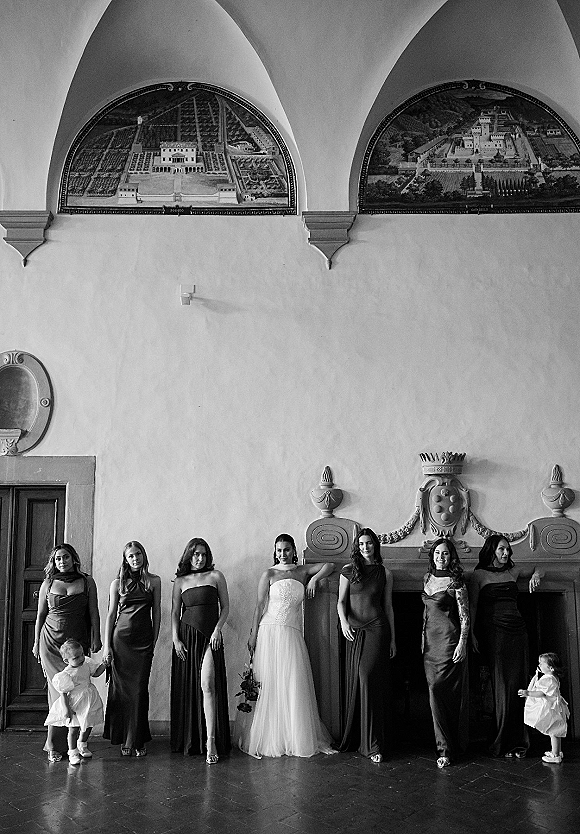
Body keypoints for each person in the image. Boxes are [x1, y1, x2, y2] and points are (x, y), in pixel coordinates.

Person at [238, 533, 335, 758]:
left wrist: (313, 579)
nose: (283, 554)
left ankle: (292, 736)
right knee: (270, 683)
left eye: (287, 549)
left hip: (292, 633)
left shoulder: (301, 572)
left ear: (293, 551)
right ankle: (270, 737)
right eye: (279, 550)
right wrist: (253, 635)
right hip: (270, 631)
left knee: (292, 683)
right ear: (275, 551)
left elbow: (329, 565)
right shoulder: (269, 573)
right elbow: (259, 605)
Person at [470, 534, 541, 758]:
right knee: (502, 686)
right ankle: (502, 741)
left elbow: (539, 566)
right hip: (495, 634)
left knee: (519, 684)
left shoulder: (513, 571)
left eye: (508, 550)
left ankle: (519, 742)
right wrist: (470, 633)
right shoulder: (478, 575)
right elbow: (472, 606)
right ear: (491, 550)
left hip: (518, 631)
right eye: (502, 549)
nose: (506, 553)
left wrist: (537, 575)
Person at [32, 543, 101, 763]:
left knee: (77, 692)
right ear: (54, 562)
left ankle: (77, 742)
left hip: (77, 643)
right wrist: (35, 643)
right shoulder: (48, 583)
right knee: (57, 692)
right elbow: (40, 615)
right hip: (51, 643)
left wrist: (96, 637)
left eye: (66, 557)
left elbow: (94, 613)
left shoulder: (87, 581)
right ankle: (54, 745)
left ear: (74, 559)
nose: (62, 562)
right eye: (58, 559)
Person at [337, 527, 396, 763]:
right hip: (354, 630)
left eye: (369, 543)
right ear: (356, 547)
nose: (365, 547)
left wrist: (393, 639)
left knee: (369, 677)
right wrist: (343, 622)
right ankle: (363, 741)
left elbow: (388, 607)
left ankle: (374, 745)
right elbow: (341, 601)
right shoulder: (348, 571)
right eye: (361, 544)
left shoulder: (385, 573)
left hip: (378, 629)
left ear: (375, 545)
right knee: (360, 681)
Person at [171, 538, 230, 762]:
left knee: (207, 685)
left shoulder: (216, 577)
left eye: (204, 555)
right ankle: (193, 738)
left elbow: (225, 607)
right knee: (190, 687)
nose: (200, 558)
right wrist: (175, 639)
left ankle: (211, 740)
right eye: (196, 554)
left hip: (209, 637)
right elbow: (175, 612)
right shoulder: (180, 581)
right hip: (186, 637)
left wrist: (217, 631)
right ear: (189, 555)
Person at [103, 541, 161, 756]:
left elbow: (157, 614)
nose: (135, 558)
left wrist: (153, 642)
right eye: (130, 556)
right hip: (121, 642)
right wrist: (107, 646)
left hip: (144, 642)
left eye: (138, 554)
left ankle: (138, 739)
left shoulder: (154, 581)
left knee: (139, 691)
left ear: (143, 556)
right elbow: (110, 615)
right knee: (121, 691)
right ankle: (124, 739)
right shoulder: (117, 583)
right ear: (125, 560)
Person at [422, 538, 469, 768]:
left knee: (446, 694)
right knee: (433, 692)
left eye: (446, 554)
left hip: (450, 643)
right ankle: (443, 747)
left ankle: (448, 748)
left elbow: (465, 617)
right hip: (429, 645)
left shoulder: (457, 582)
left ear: (452, 557)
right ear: (433, 556)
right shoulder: (427, 578)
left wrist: (462, 643)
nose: (441, 557)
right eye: (438, 553)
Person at [44, 638, 105, 764]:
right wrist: (67, 708)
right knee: (73, 728)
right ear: (66, 660)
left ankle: (82, 743)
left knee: (88, 724)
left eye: (82, 654)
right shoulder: (66, 674)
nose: (81, 658)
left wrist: (105, 664)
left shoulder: (87, 663)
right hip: (75, 702)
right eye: (76, 657)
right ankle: (72, 751)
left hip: (89, 698)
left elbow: (96, 673)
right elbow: (64, 693)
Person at [519, 652, 569, 763]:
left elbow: (541, 693)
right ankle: (557, 751)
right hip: (556, 707)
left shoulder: (548, 678)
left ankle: (555, 756)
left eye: (541, 663)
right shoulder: (553, 677)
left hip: (551, 708)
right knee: (556, 730)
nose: (539, 665)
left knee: (553, 731)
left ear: (551, 668)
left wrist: (528, 693)